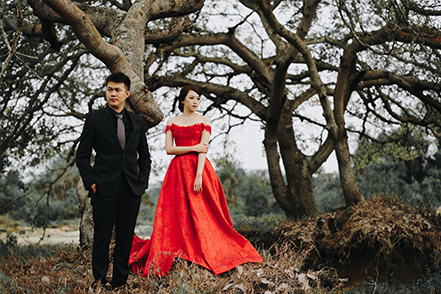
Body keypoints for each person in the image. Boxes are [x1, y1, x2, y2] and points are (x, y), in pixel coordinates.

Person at [129, 85, 262, 277]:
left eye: (198, 99)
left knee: (205, 211)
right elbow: (169, 149)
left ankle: (206, 245)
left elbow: (203, 150)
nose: (195, 101)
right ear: (182, 100)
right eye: (191, 98)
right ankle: (182, 244)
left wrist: (199, 174)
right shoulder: (172, 121)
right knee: (177, 211)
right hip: (177, 171)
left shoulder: (204, 120)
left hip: (200, 170)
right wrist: (194, 147)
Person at [76, 72, 151, 290]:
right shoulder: (94, 119)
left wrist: (142, 182)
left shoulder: (137, 122)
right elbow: (82, 156)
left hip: (131, 189)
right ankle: (99, 280)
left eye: (117, 90)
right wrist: (91, 182)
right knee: (102, 237)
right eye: (109, 89)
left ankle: (119, 282)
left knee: (125, 239)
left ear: (127, 93)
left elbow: (145, 157)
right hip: (103, 188)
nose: (113, 93)